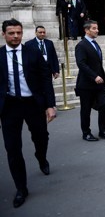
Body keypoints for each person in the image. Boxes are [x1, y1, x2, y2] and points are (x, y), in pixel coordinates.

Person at [0, 19, 56, 208]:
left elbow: (45, 79)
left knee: (41, 137)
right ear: (3, 34)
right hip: (9, 107)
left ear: (22, 33)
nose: (15, 36)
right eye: (11, 33)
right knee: (12, 149)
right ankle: (21, 188)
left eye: (18, 32)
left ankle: (41, 157)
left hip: (33, 104)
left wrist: (50, 105)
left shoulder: (33, 53)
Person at [75, 20, 105, 142]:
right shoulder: (81, 45)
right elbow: (81, 64)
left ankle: (103, 130)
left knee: (103, 106)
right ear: (86, 30)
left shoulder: (95, 44)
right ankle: (86, 133)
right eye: (94, 28)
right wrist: (94, 76)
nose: (97, 30)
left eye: (97, 28)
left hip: (100, 83)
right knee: (86, 110)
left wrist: (100, 78)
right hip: (87, 84)